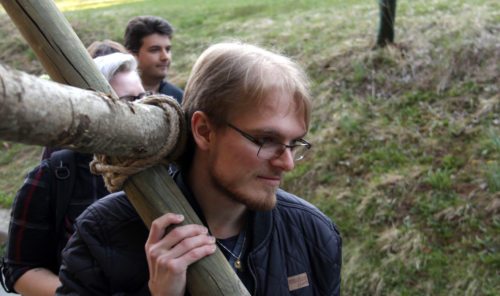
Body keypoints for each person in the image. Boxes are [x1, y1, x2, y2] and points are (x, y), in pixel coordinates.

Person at [56, 42, 342, 296]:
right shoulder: (102, 232)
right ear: (204, 130)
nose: (287, 163)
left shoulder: (313, 234)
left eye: (294, 143)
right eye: (266, 140)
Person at [0, 53, 146, 296]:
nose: (141, 111)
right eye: (129, 101)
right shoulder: (53, 177)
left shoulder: (166, 171)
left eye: (144, 97)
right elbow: (19, 269)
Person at [124, 15, 183, 103]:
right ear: (132, 55)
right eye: (155, 50)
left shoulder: (180, 99)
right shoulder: (118, 97)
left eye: (168, 49)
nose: (165, 57)